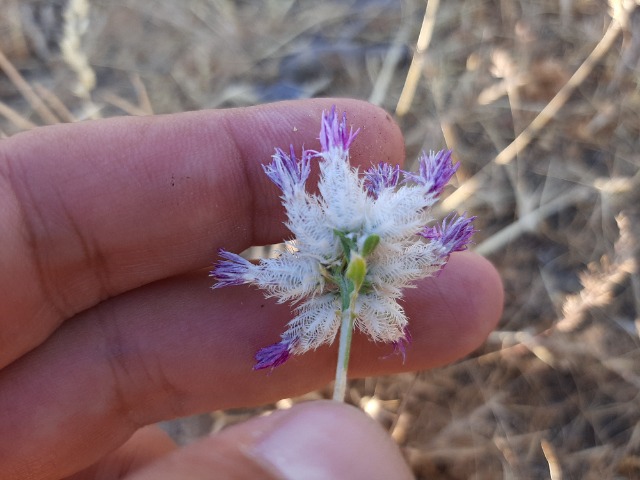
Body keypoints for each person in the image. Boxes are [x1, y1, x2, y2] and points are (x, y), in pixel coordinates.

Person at [0, 99, 503, 479]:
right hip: (327, 280)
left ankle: (331, 167)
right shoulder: (335, 246)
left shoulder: (377, 262)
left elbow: (370, 263)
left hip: (355, 282)